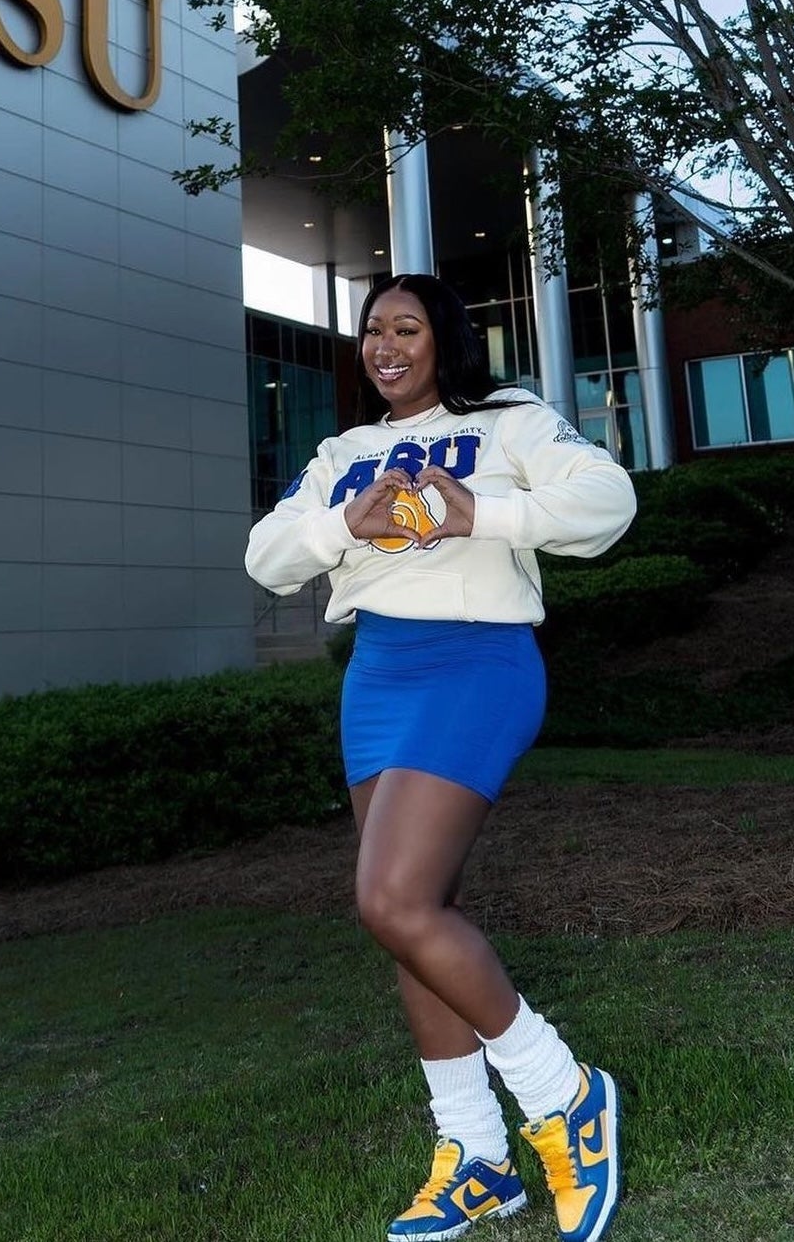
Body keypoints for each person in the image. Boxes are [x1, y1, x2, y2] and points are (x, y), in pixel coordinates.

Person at [245, 274, 637, 1242]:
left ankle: (565, 1096)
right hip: (377, 675)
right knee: (415, 917)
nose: (384, 344)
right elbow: (267, 556)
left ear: (444, 340)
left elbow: (608, 502)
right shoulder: (345, 451)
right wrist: (348, 523)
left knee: (393, 901)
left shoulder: (509, 421)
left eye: (406, 327)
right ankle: (476, 1158)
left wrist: (479, 516)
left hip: (476, 662)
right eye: (372, 330)